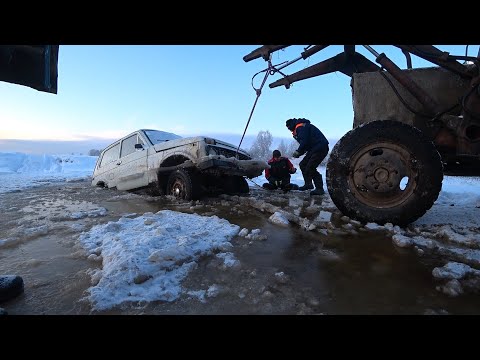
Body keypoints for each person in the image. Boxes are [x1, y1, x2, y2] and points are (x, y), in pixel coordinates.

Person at [285, 118, 329, 196]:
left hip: (320, 147)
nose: (290, 130)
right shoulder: (301, 127)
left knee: (311, 167)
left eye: (289, 128)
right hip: (314, 148)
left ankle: (319, 188)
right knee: (303, 164)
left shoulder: (300, 127)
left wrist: (298, 151)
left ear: (291, 125)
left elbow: (304, 141)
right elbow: (306, 144)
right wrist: (300, 152)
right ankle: (308, 184)